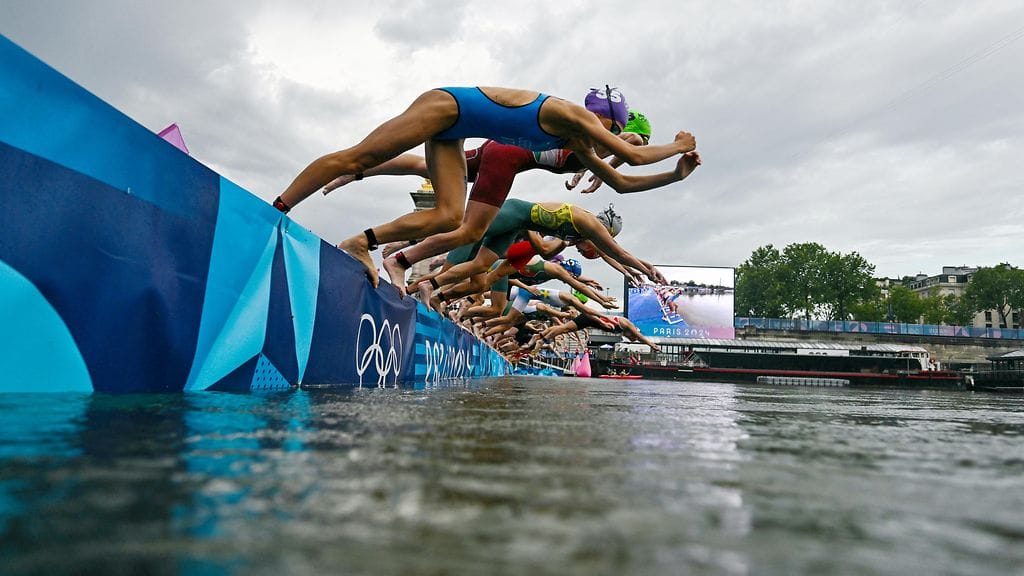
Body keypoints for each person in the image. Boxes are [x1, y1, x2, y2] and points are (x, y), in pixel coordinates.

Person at [276, 85, 697, 286]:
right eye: (617, 134)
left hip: (456, 132)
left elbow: (622, 182)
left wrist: (675, 175)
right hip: (446, 107)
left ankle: (360, 242)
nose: (614, 146)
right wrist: (676, 146)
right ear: (605, 120)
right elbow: (635, 154)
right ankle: (277, 210)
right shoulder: (577, 120)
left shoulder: (579, 143)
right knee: (356, 155)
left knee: (447, 214)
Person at [418, 200, 666, 307]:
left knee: (478, 272)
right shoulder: (585, 225)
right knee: (457, 245)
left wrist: (637, 269)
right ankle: (404, 260)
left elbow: (614, 255)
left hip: (516, 229)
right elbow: (617, 253)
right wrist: (646, 271)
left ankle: (433, 294)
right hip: (514, 216)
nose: (592, 251)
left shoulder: (581, 232)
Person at [543, 310, 661, 351]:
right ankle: (543, 336)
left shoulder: (623, 330)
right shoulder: (627, 324)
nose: (631, 339)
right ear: (633, 331)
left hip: (589, 322)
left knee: (564, 330)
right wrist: (652, 345)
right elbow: (640, 337)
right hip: (589, 318)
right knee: (564, 329)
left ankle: (543, 335)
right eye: (632, 337)